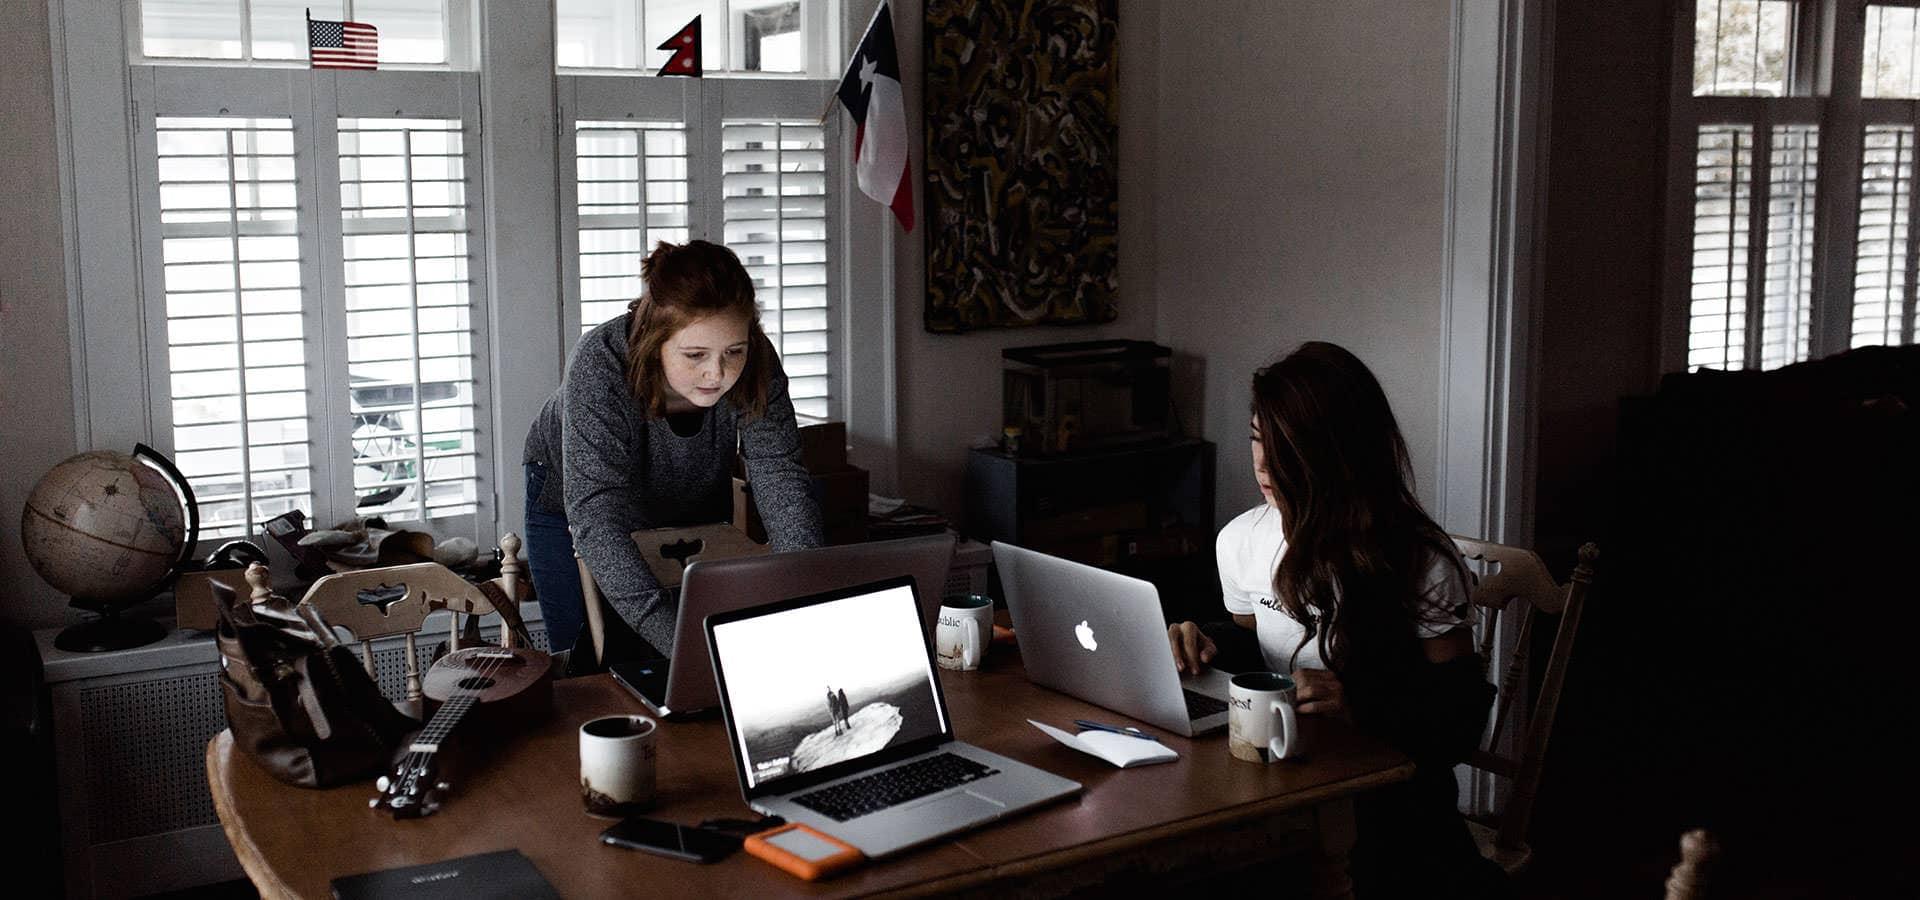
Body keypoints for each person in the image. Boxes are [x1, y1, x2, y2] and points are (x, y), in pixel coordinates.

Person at [1166, 341, 1510, 899]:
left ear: (1338, 451)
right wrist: (1202, 641)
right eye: (1256, 438)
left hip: (1391, 812)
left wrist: (1357, 701)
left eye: (1286, 446)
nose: (1263, 463)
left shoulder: (1421, 560)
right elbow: (1259, 646)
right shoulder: (1241, 540)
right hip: (1283, 783)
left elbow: (1460, 718)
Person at [522, 240, 824, 660]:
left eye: (733, 352)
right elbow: (597, 517)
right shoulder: (599, 363)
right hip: (575, 501)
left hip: (690, 487)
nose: (716, 373)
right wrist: (684, 648)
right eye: (695, 354)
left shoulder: (757, 361)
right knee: (586, 661)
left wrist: (804, 597)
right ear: (654, 340)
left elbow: (781, 475)